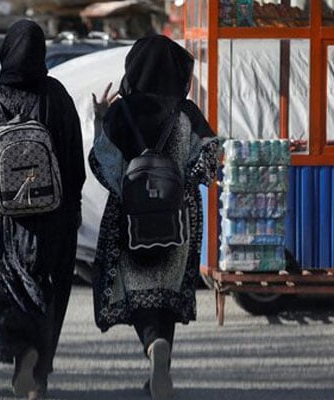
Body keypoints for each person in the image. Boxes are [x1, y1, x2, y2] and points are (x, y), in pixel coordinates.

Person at [0, 19, 85, 400]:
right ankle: (38, 373)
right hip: (49, 217)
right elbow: (73, 160)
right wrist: (72, 207)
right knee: (46, 292)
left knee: (2, 287)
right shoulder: (56, 96)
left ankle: (19, 353)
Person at [89, 34, 218, 400]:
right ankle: (160, 358)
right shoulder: (186, 113)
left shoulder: (120, 112)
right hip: (178, 220)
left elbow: (102, 164)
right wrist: (182, 182)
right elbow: (209, 163)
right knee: (166, 292)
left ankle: (151, 344)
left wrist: (101, 120)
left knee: (140, 290)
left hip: (131, 221)